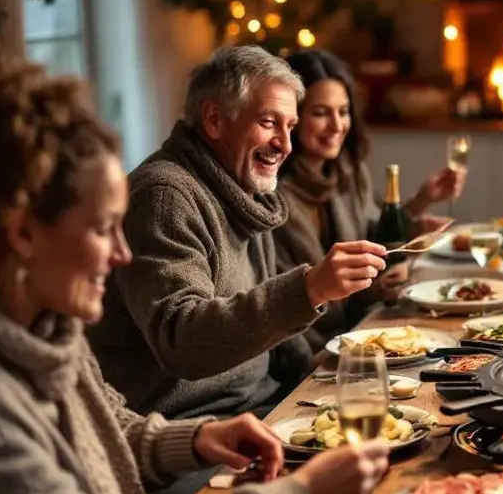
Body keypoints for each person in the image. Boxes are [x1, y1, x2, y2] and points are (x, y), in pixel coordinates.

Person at [0, 58, 390, 494]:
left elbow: (110, 427)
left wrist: (193, 440)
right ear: (23, 233)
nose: (121, 253)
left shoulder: (46, 323)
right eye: (104, 228)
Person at [89, 46, 389, 421]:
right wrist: (309, 289)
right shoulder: (164, 197)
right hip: (190, 431)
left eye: (290, 126)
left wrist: (327, 368)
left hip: (261, 406)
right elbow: (184, 343)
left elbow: (266, 336)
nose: (285, 144)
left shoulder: (246, 187)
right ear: (214, 120)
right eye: (268, 123)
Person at [273, 49, 465, 351]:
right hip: (311, 348)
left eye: (343, 111)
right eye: (321, 112)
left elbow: (374, 238)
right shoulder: (273, 195)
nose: (337, 126)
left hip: (360, 328)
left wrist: (421, 201)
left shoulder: (348, 171)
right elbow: (280, 307)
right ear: (292, 118)